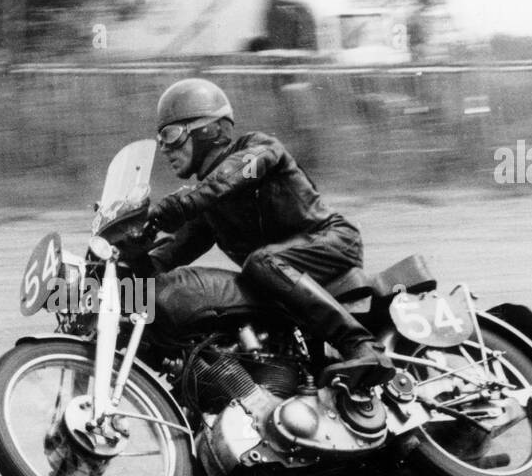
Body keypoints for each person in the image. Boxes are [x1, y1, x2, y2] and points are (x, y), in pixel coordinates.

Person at [144, 77, 393, 389]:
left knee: (260, 262)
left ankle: (363, 347)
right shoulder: (210, 208)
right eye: (161, 138)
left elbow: (232, 176)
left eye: (172, 134)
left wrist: (180, 205)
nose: (165, 147)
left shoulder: (259, 152)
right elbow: (170, 253)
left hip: (331, 242)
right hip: (282, 276)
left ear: (210, 129)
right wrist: (123, 262)